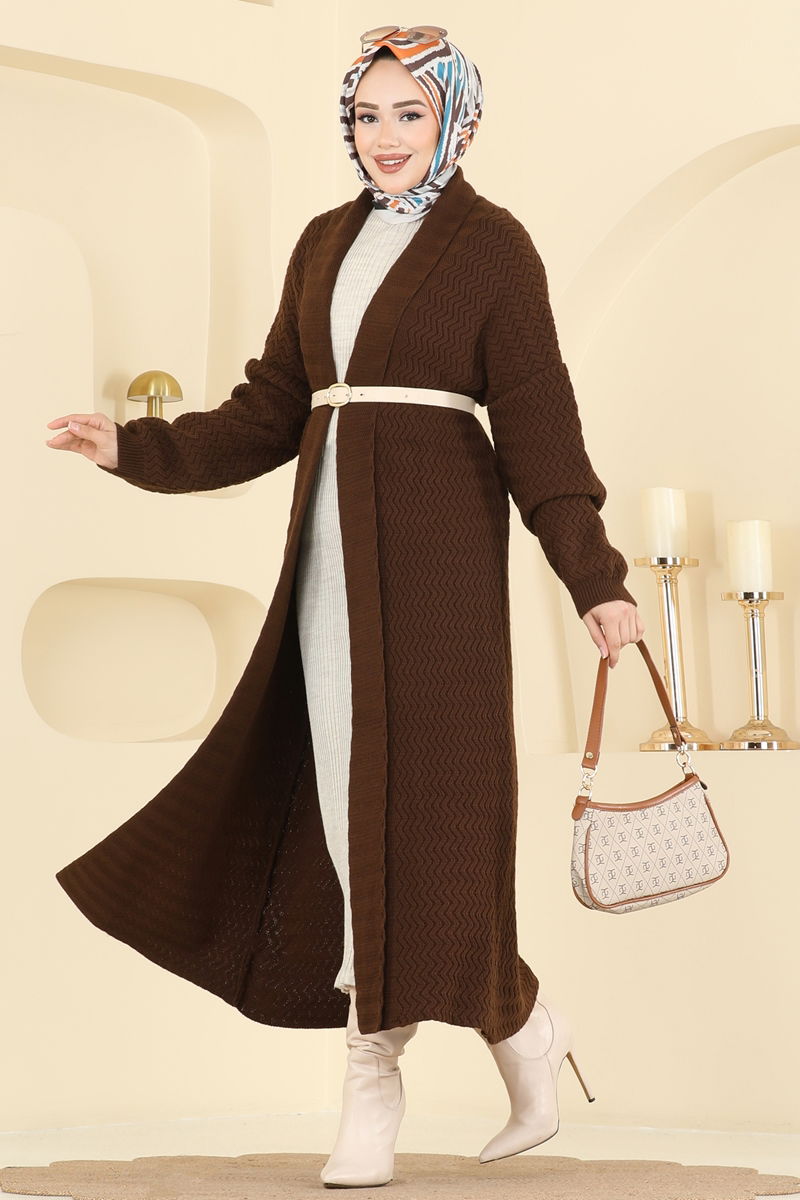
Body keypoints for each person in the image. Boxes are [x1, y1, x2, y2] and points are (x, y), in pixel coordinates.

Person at [47, 25, 645, 1191]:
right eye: (367, 115)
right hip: (329, 570)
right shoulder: (324, 242)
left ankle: (401, 1066)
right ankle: (504, 1034)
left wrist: (596, 577)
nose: (384, 136)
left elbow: (540, 426)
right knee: (345, 813)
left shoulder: (491, 247)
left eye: (408, 112)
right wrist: (136, 448)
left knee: (434, 818)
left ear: (455, 118)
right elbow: (269, 409)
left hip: (439, 576)